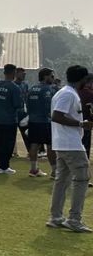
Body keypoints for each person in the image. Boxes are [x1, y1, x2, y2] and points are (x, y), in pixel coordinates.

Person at [48, 65, 92, 232]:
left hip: (63, 142)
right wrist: (81, 123)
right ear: (83, 80)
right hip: (71, 143)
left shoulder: (64, 92)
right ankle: (74, 219)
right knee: (82, 178)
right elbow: (57, 116)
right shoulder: (68, 94)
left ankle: (56, 216)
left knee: (62, 180)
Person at [0, 63, 25, 174]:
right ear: (14, 73)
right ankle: (4, 166)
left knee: (0, 142)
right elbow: (18, 105)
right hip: (9, 119)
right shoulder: (14, 87)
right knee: (8, 144)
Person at [25, 67, 57, 177]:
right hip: (45, 121)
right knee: (50, 146)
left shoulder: (32, 88)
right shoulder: (48, 89)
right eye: (52, 76)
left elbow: (27, 104)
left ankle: (33, 169)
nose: (53, 79)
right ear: (45, 76)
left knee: (34, 145)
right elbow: (48, 107)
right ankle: (54, 171)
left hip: (33, 120)